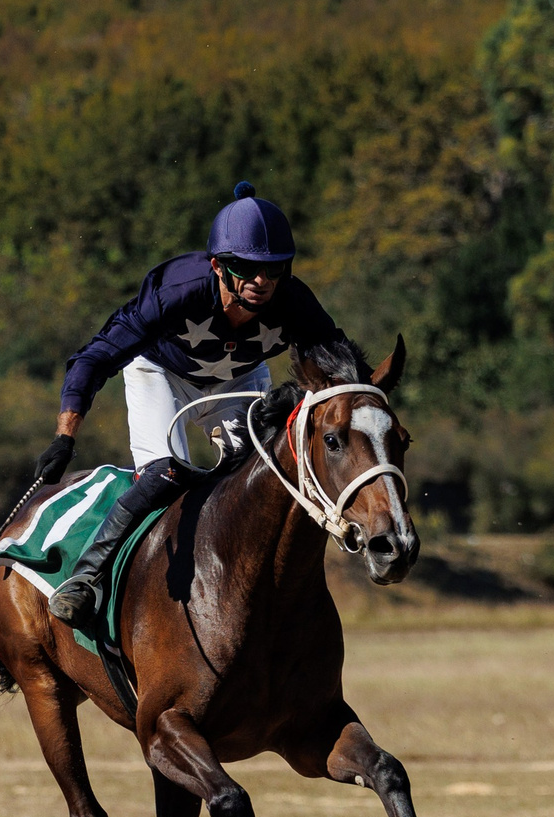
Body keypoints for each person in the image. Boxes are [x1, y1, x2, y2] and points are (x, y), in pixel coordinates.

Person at [39, 183, 345, 631]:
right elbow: (95, 357)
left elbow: (344, 364)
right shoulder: (176, 291)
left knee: (263, 476)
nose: (262, 282)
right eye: (246, 268)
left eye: (275, 269)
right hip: (161, 375)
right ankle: (86, 577)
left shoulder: (294, 302)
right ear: (219, 266)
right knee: (166, 474)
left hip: (238, 380)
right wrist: (65, 437)